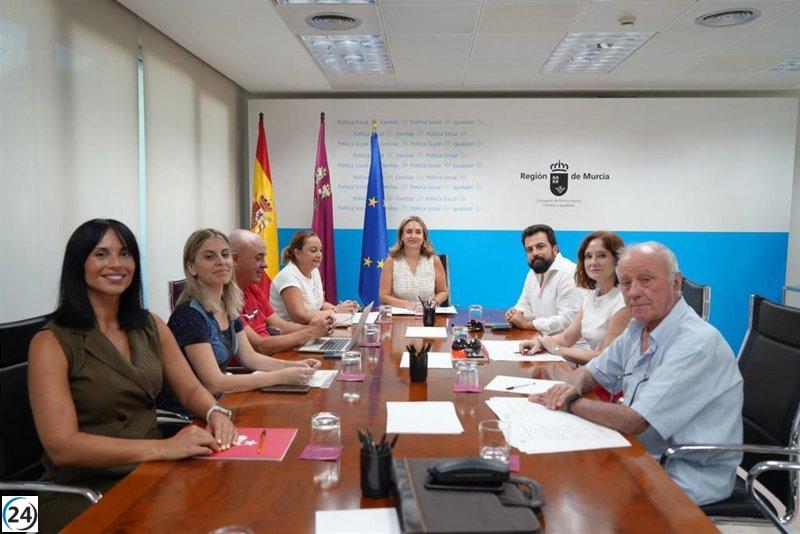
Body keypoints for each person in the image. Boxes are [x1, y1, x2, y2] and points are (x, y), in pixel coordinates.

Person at [28, 219, 237, 532]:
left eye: (125, 254)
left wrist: (215, 411)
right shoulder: (51, 342)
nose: (116, 264)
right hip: (82, 492)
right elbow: (62, 446)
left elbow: (192, 390)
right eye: (101, 254)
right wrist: (164, 449)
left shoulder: (150, 325)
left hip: (148, 473)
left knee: (226, 509)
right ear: (78, 264)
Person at [529, 242, 743, 506]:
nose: (634, 292)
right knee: (551, 472)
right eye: (626, 283)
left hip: (682, 471)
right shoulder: (638, 328)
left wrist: (571, 402)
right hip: (640, 452)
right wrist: (571, 386)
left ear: (676, 283)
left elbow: (635, 421)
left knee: (568, 490)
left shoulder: (696, 344)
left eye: (645, 280)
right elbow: (592, 372)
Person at [158, 229, 319, 416]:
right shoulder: (189, 315)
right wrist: (279, 377)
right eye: (209, 256)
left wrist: (297, 366)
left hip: (220, 403)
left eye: (225, 254)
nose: (221, 261)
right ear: (192, 267)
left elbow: (250, 357)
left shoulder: (227, 305)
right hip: (190, 417)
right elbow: (214, 382)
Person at [519, 231, 631, 365]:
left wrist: (556, 349)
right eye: (588, 256)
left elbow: (605, 358)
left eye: (602, 256)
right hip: (593, 371)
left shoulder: (624, 300)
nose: (593, 262)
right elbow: (567, 338)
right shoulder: (592, 296)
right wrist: (539, 342)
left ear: (617, 260)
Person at [228, 229, 335, 355]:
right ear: (235, 259)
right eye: (258, 258)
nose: (265, 265)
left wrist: (318, 330)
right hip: (257, 366)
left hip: (272, 357)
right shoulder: (225, 297)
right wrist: (311, 333)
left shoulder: (252, 288)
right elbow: (260, 346)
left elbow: (280, 325)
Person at [505, 224, 583, 333]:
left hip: (572, 347)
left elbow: (568, 321)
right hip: (543, 341)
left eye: (540, 247)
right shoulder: (533, 273)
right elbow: (525, 305)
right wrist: (515, 314)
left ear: (555, 249)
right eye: (529, 250)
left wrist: (528, 324)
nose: (535, 253)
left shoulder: (569, 273)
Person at [269, 230, 358, 323]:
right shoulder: (288, 276)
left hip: (312, 328)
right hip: (290, 333)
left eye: (320, 250)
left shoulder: (314, 271)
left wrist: (345, 309)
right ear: (297, 253)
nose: (319, 255)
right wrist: (336, 311)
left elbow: (321, 305)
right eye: (314, 250)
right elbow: (300, 316)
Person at [379, 215, 449, 310]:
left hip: (428, 317)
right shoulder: (391, 261)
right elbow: (383, 296)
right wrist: (404, 304)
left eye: (418, 232)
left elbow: (443, 291)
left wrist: (433, 302)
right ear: (402, 237)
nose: (413, 236)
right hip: (400, 317)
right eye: (409, 232)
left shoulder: (434, 260)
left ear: (424, 237)